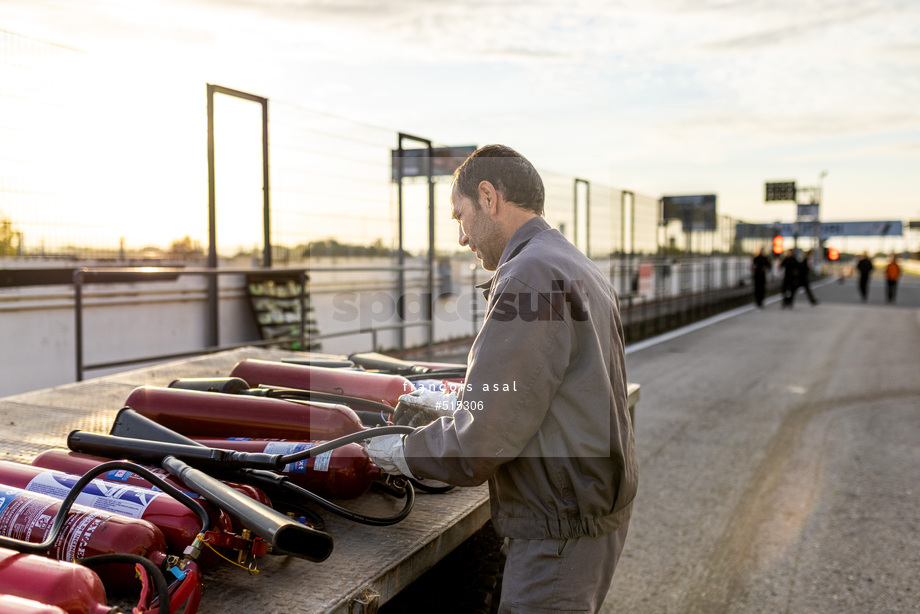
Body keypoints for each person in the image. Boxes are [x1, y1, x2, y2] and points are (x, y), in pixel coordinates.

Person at [365, 145, 638, 613]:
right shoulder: (570, 261)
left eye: (460, 216)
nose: (461, 237)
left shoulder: (530, 274)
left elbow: (481, 440)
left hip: (559, 528)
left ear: (489, 197)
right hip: (586, 510)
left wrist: (400, 453)